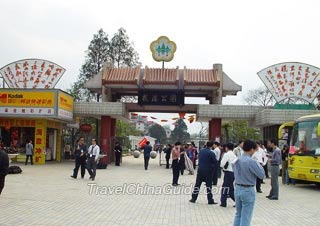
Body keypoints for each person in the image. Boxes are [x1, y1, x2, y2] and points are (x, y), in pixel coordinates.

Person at [233, 140, 265, 226]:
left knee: (238, 214)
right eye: (255, 150)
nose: (254, 152)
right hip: (248, 189)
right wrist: (259, 164)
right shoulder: (251, 162)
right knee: (246, 217)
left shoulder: (237, 159)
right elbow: (262, 175)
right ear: (251, 149)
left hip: (237, 188)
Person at [220, 143, 237, 207]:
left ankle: (223, 202)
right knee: (230, 188)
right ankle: (237, 201)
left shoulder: (226, 154)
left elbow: (221, 164)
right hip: (233, 173)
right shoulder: (234, 155)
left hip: (228, 173)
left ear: (226, 147)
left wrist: (223, 167)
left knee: (225, 188)